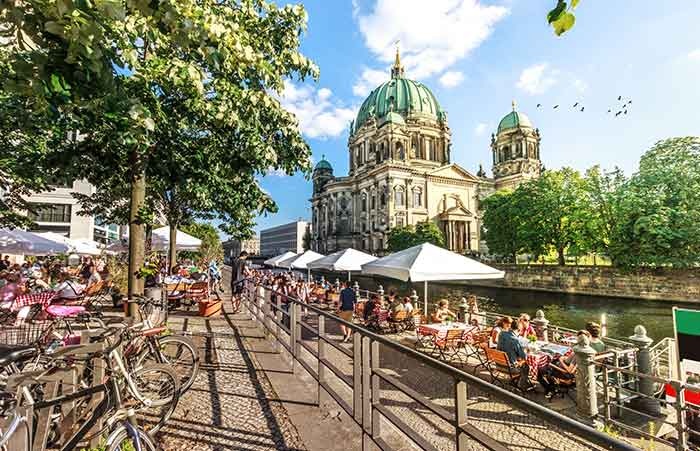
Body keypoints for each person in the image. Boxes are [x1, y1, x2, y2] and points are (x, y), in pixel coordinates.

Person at [497, 316, 532, 391]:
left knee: (520, 361)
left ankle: (516, 381)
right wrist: (527, 351)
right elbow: (524, 357)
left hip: (498, 364)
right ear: (519, 329)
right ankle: (522, 385)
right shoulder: (516, 340)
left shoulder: (501, 334)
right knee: (526, 366)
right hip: (510, 368)